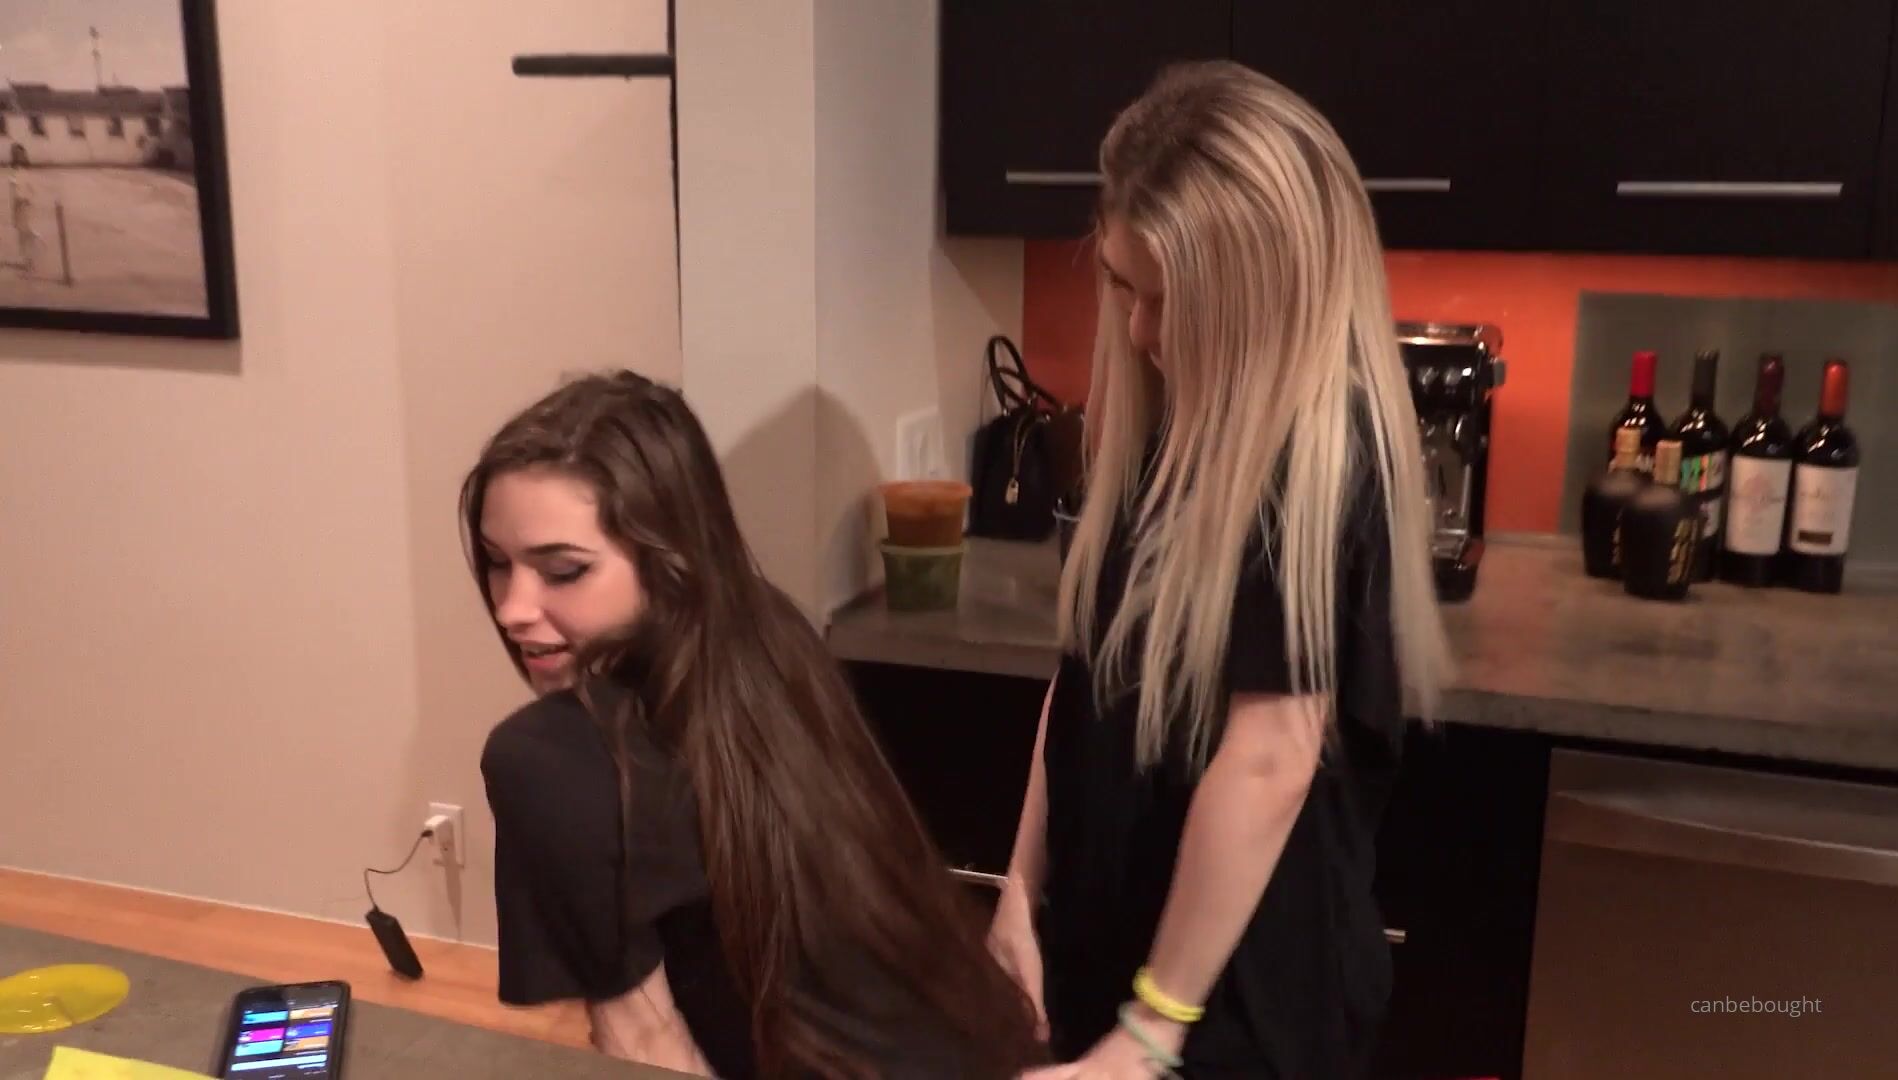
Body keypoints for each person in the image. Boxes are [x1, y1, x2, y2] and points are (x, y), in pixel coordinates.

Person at [989, 62, 1453, 1079]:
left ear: (1262, 299)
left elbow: (1271, 756)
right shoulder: (1169, 421)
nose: (1140, 333)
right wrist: (1021, 888)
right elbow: (1086, 670)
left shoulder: (1320, 457)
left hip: (1240, 1013)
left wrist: (1149, 1033)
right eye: (1123, 287)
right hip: (1121, 967)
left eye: (1172, 303)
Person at [465, 371, 1045, 1078]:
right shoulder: (766, 634)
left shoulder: (548, 760)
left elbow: (648, 1049)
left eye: (563, 571)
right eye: (497, 563)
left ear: (669, 559)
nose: (512, 608)